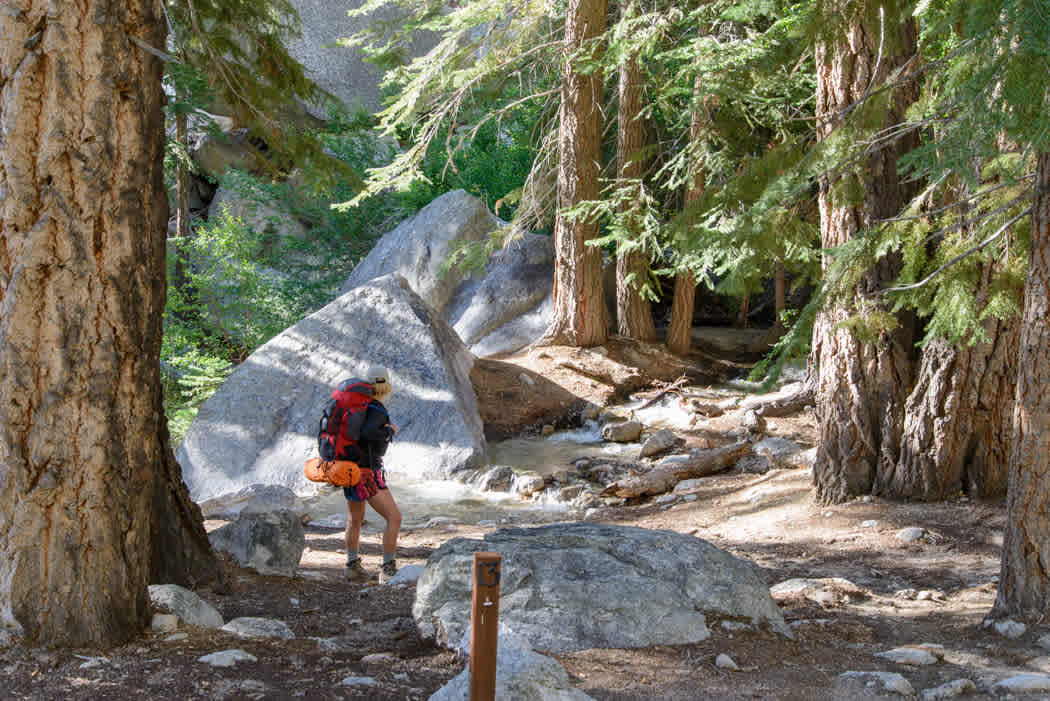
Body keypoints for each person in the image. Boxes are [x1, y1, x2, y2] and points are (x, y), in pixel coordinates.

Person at [343, 367, 403, 584]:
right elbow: (369, 433)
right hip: (367, 472)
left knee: (355, 519)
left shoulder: (355, 406)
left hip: (348, 469)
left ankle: (352, 567)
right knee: (394, 518)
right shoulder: (376, 408)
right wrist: (389, 431)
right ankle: (388, 570)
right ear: (386, 385)